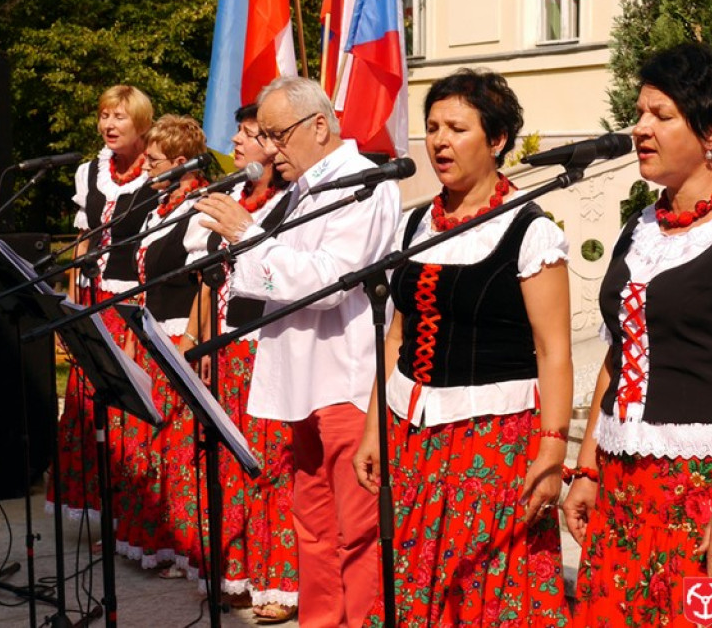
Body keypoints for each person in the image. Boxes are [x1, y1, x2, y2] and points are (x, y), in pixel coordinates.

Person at [562, 42, 712, 627]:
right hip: (625, 486)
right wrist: (588, 466)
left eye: (661, 115)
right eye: (640, 111)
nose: (639, 128)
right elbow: (618, 356)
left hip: (705, 489)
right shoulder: (641, 227)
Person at [352, 68, 574, 627]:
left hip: (494, 442)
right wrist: (374, 425)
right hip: (414, 435)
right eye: (431, 127)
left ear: (496, 140)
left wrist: (552, 450)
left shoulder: (530, 230)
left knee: (484, 585)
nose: (439, 141)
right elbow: (397, 335)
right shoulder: (413, 225)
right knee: (414, 577)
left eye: (457, 127)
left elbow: (554, 351)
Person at [196, 76, 401, 628]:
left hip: (344, 377)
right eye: (263, 135)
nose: (270, 148)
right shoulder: (302, 188)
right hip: (298, 378)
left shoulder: (367, 183)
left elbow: (329, 281)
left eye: (277, 134)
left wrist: (247, 236)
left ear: (319, 124)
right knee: (311, 525)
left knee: (355, 529)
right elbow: (235, 256)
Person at [187, 103, 299, 622]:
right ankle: (239, 573)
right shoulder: (235, 197)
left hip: (266, 343)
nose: (235, 140)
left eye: (249, 133)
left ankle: (281, 580)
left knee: (270, 464)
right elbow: (211, 277)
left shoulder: (288, 203)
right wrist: (200, 337)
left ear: (274, 148)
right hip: (228, 345)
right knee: (231, 462)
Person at [48, 84, 155, 524]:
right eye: (104, 116)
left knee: (127, 403)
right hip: (93, 298)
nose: (109, 125)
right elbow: (83, 235)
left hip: (132, 299)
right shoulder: (91, 171)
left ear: (142, 123)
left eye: (119, 117)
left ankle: (134, 513)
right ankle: (98, 508)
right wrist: (71, 294)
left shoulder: (160, 172)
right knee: (88, 403)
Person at [113, 114, 212, 574]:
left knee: (178, 445)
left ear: (180, 163)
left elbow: (205, 282)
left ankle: (183, 546)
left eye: (154, 161)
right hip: (153, 332)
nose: (147, 168)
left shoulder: (202, 207)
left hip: (178, 337)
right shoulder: (160, 208)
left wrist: (192, 341)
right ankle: (152, 538)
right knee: (150, 444)